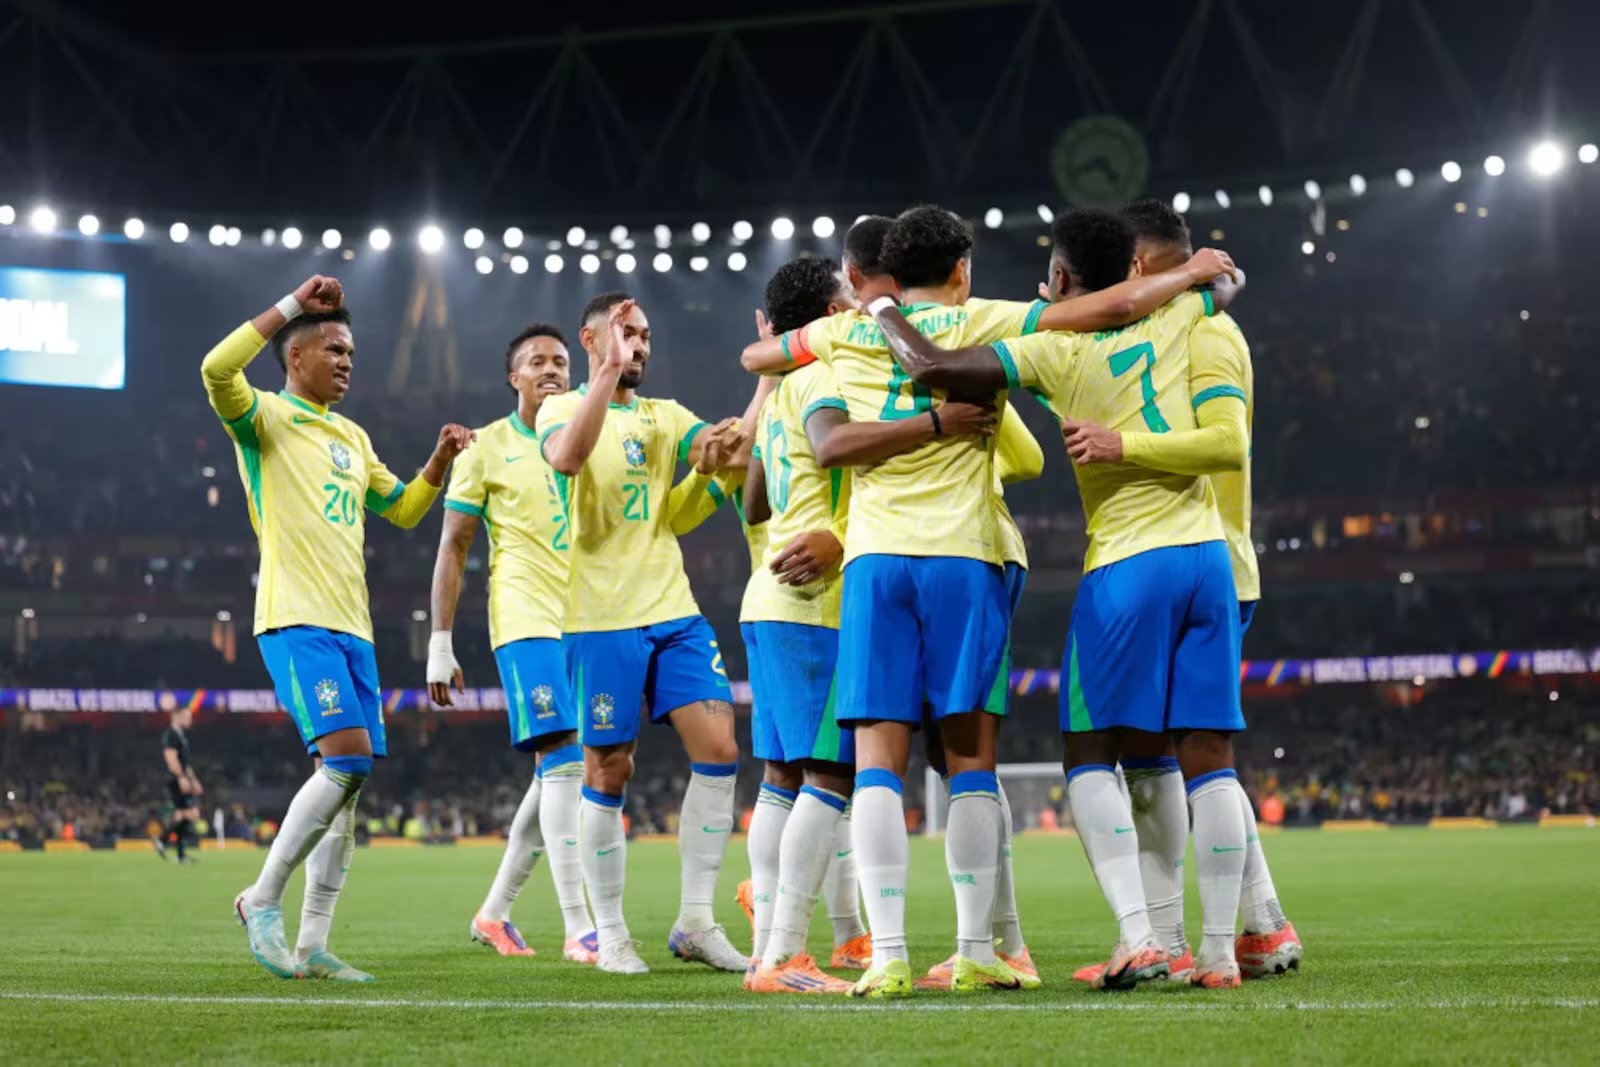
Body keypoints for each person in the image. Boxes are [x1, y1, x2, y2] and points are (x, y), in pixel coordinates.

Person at [741, 205, 1227, 998]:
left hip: (873, 560)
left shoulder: (840, 334)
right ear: (961, 268)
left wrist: (855, 316)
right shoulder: (986, 319)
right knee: (969, 764)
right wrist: (1195, 279)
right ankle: (976, 948)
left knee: (874, 765)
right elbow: (1108, 307)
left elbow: (759, 353)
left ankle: (887, 954)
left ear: (880, 275)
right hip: (964, 556)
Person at [204, 274, 472, 982]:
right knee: (347, 762)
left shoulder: (352, 436)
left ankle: (313, 944)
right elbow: (216, 369)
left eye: (351, 352)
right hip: (296, 617)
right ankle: (262, 897)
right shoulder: (263, 418)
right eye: (334, 349)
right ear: (296, 357)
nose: (348, 361)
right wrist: (293, 304)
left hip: (355, 629)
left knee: (347, 790)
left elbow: (404, 509)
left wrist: (440, 461)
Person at [1064, 198, 1301, 980]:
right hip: (1197, 561)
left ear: (1136, 266)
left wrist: (1121, 443)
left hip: (1206, 559)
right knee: (1190, 754)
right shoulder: (1175, 325)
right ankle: (1258, 927)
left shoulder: (1204, 332)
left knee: (1179, 754)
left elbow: (1228, 443)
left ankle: (1186, 938)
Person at [536, 292, 751, 976]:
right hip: (600, 617)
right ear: (591, 339)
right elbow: (568, 460)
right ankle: (611, 934)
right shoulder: (559, 408)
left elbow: (716, 448)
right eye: (627, 333)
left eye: (646, 336)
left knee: (720, 748)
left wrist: (734, 428)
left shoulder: (665, 415)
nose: (640, 346)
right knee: (609, 768)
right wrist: (606, 370)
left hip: (673, 609)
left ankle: (696, 921)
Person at [426, 323, 598, 964]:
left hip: (586, 617)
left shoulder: (585, 436)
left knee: (555, 773)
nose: (551, 369)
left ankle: (494, 914)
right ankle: (580, 927)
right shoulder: (484, 448)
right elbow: (454, 546)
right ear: (514, 377)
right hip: (525, 617)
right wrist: (440, 641)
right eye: (537, 361)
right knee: (565, 760)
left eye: (560, 361)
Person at [153, 707, 201, 864]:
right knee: (191, 814)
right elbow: (171, 758)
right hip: (175, 779)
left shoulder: (181, 736)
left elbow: (185, 763)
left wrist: (193, 780)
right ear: (177, 717)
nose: (190, 720)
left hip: (182, 778)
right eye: (187, 717)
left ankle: (179, 854)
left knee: (182, 815)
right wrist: (181, 778)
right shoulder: (171, 735)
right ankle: (162, 840)